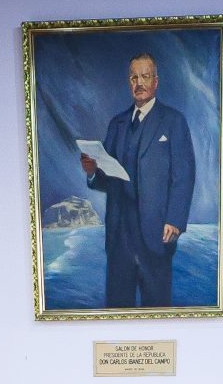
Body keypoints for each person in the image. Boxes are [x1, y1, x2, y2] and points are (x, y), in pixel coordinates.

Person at [80, 50, 194, 308]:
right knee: (117, 310)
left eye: (145, 76)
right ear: (129, 82)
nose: (139, 83)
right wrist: (92, 172)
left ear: (156, 81)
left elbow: (184, 175)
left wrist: (175, 220)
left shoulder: (173, 121)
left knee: (157, 310)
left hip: (157, 235)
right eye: (134, 77)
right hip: (119, 237)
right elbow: (109, 178)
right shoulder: (117, 124)